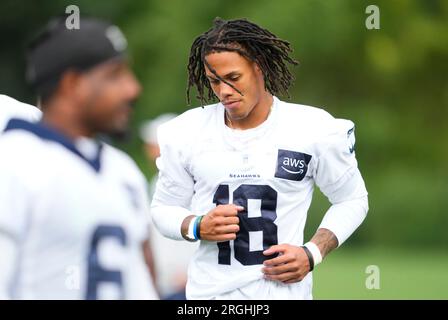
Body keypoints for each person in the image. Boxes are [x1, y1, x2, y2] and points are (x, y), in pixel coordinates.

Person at [151, 17, 369, 300]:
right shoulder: (186, 132)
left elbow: (352, 199)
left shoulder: (314, 129)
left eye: (233, 78)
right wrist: (196, 225)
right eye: (214, 81)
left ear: (259, 67)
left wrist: (312, 252)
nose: (224, 91)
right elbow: (163, 209)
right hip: (210, 297)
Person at [0, 16, 158, 300]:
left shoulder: (122, 170)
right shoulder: (13, 164)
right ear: (72, 83)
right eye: (114, 75)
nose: (132, 89)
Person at [140, 114, 198, 299]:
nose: (148, 148)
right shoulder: (157, 181)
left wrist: (191, 273)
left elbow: (201, 228)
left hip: (186, 283)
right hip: (166, 284)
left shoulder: (193, 181)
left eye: (153, 143)